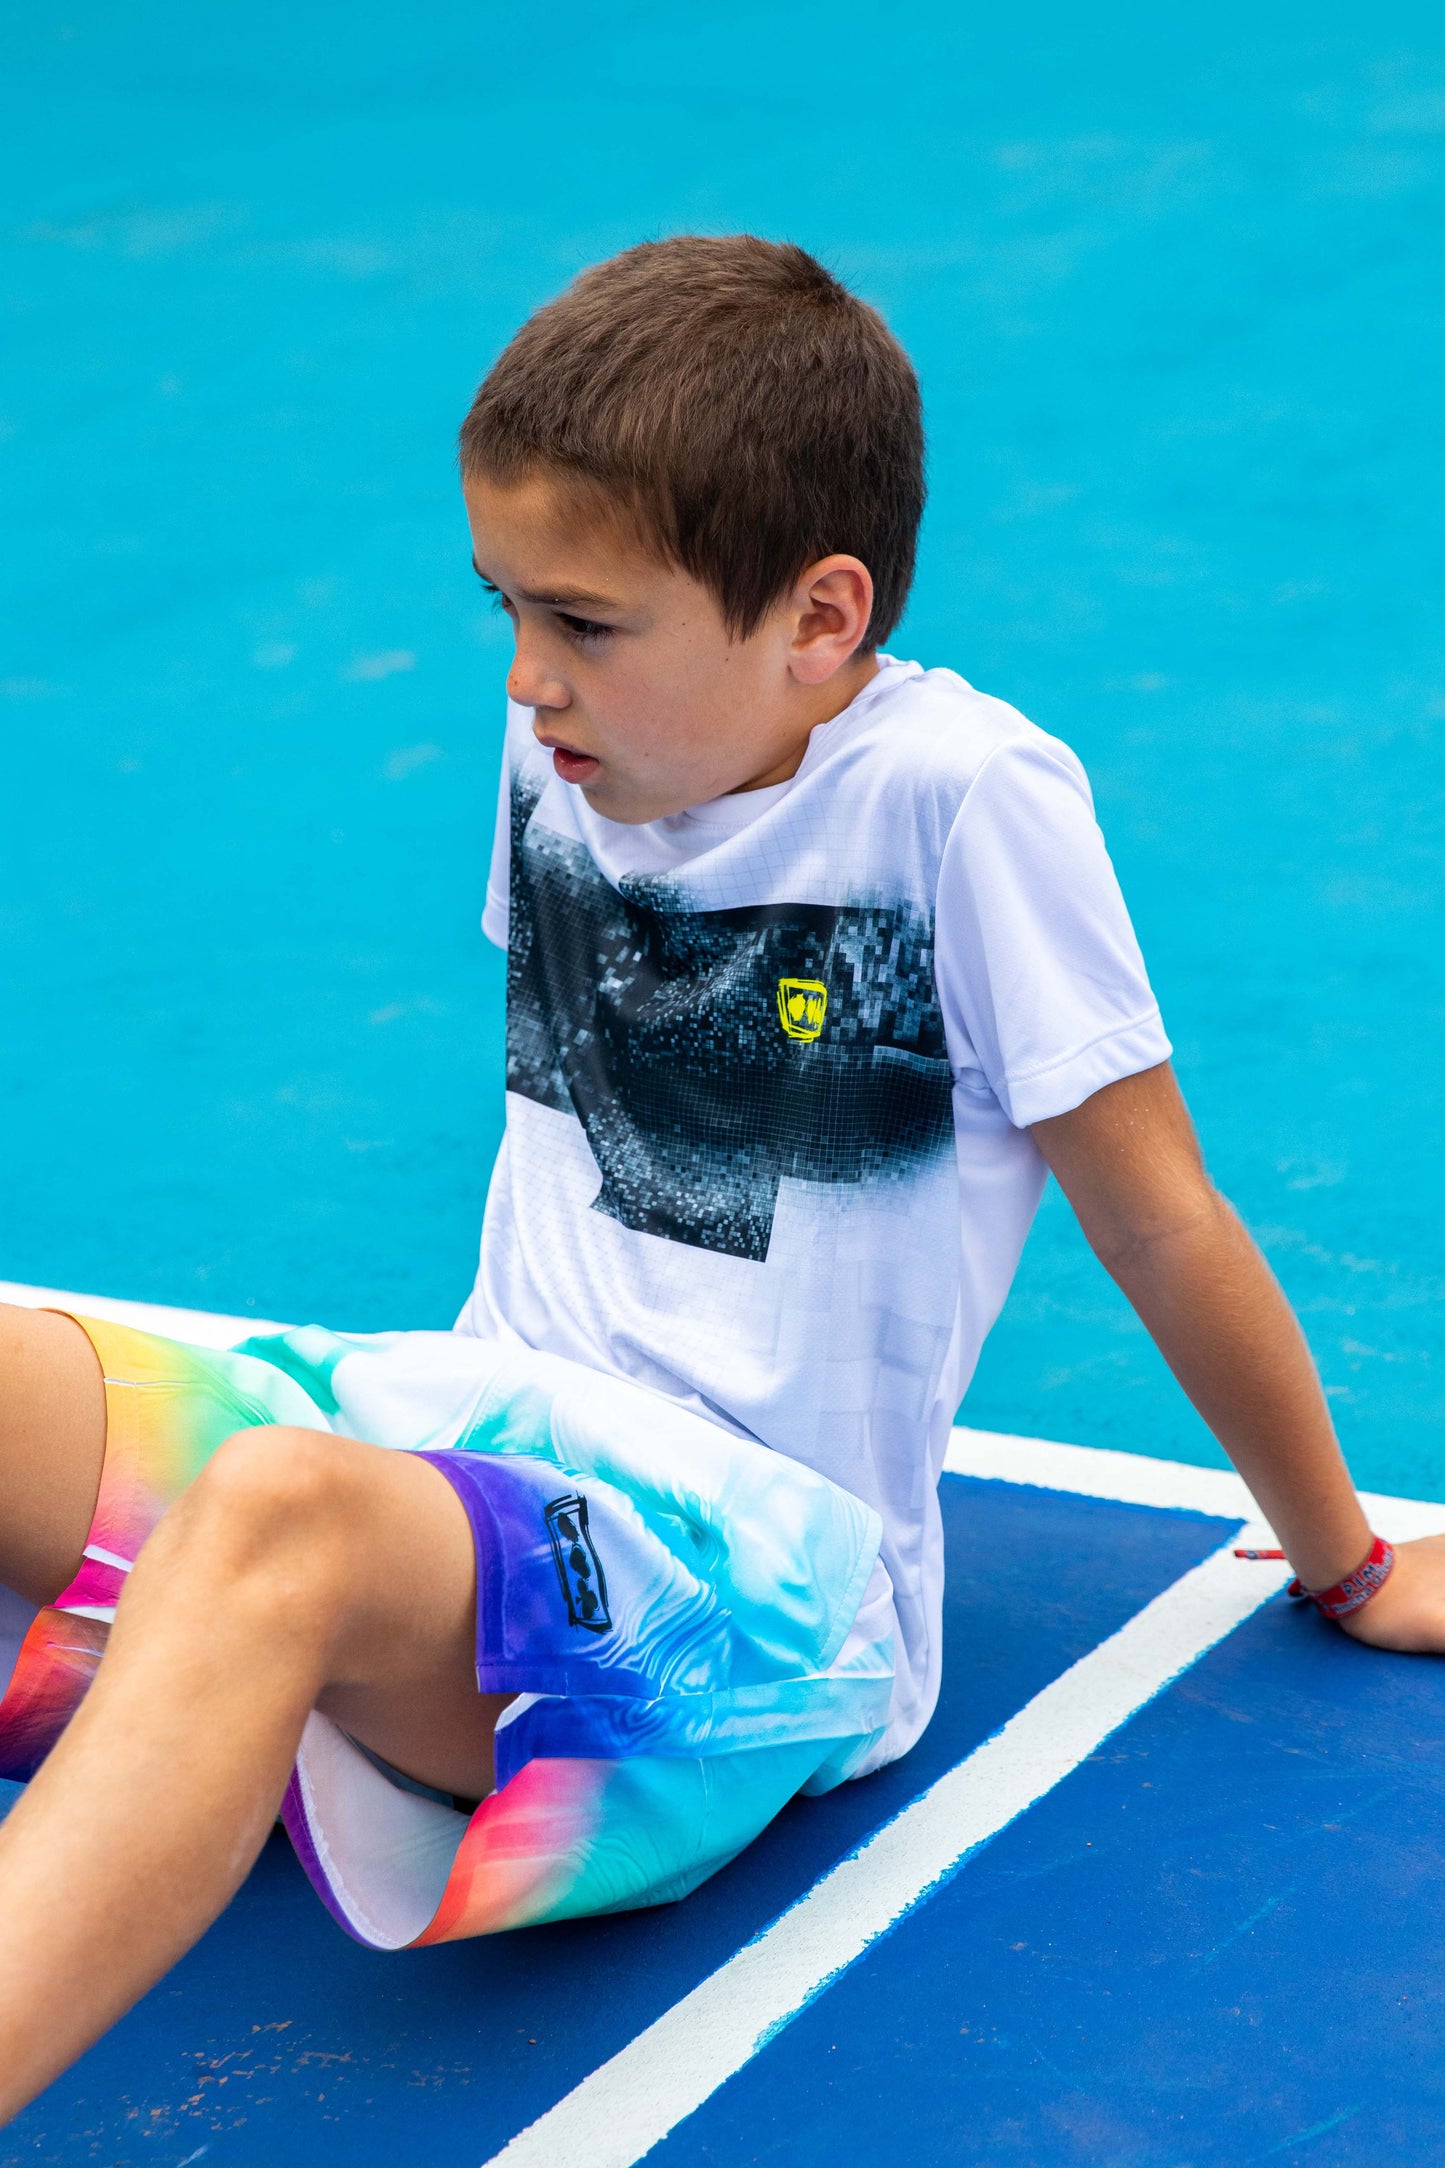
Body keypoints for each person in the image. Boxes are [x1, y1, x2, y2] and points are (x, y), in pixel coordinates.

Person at [0, 233, 1440, 2122]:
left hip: (755, 1591)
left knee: (274, 1513)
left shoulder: (963, 802)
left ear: (820, 617)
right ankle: (246, 1700)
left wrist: (1339, 1562)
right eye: (502, 608)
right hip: (456, 1446)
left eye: (584, 623)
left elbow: (1153, 1205)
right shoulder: (566, 756)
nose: (527, 678)